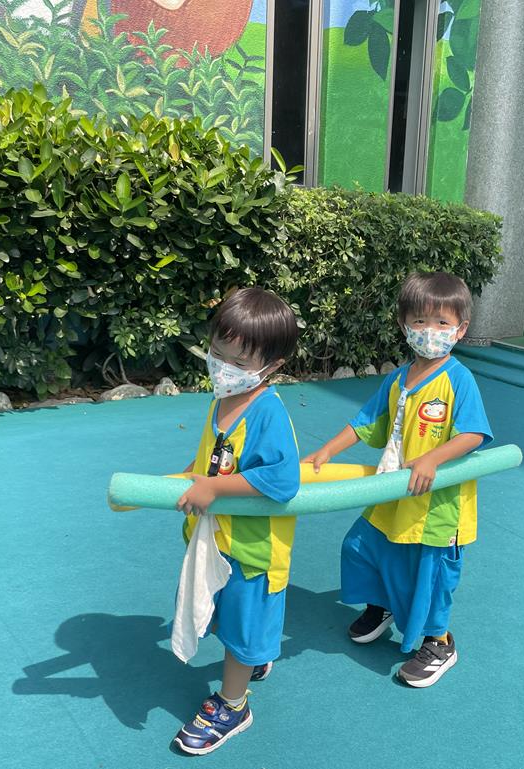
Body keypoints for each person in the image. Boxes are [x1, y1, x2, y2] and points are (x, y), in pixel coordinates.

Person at [303, 272, 492, 688]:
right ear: (405, 325)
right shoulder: (398, 378)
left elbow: (474, 434)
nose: (430, 331)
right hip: (393, 493)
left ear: (460, 330)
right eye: (420, 321)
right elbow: (366, 421)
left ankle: (439, 642)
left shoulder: (458, 379)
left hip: (436, 506)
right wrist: (328, 450)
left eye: (442, 323)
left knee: (430, 575)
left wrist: (432, 459)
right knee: (363, 547)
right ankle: (382, 603)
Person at [171, 287, 300, 754]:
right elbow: (212, 459)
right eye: (217, 353)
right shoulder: (222, 401)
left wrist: (215, 488)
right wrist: (187, 477)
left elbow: (282, 480)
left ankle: (232, 704)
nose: (223, 368)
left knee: (244, 625)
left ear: (272, 366)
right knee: (229, 616)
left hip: (252, 550)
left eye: (239, 363)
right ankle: (251, 661)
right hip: (219, 541)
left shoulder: (267, 412)